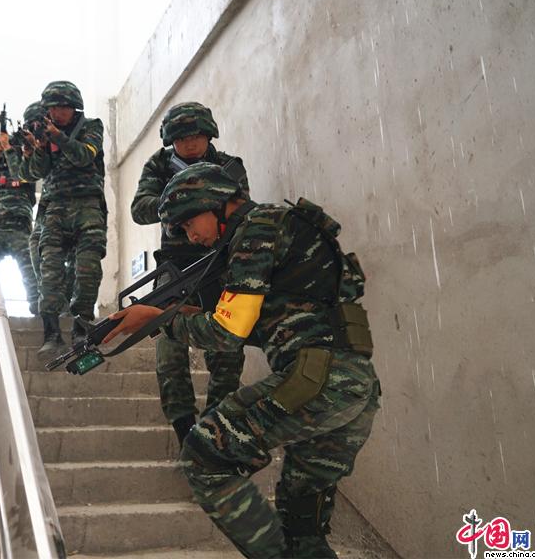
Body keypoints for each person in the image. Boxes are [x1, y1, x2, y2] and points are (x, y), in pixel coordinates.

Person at [104, 163, 381, 558]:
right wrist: (190, 315)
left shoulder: (255, 230)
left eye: (189, 223)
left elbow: (226, 335)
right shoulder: (283, 223)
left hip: (317, 383)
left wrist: (160, 321)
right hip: (356, 388)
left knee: (203, 455)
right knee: (302, 523)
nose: (191, 236)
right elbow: (281, 321)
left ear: (215, 203)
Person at [130, 101, 249, 446]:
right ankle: (185, 432)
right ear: (171, 141)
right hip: (175, 267)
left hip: (218, 263)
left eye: (196, 136)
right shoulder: (159, 165)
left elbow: (241, 211)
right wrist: (180, 198)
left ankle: (213, 434)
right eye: (182, 139)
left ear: (209, 134)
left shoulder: (228, 166)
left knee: (227, 352)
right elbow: (139, 209)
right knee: (169, 350)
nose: (190, 144)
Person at [25, 81, 106, 359]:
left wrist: (58, 137)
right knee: (49, 271)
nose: (56, 113)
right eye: (52, 108)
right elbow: (36, 172)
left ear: (74, 107)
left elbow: (84, 156)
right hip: (55, 208)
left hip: (88, 206)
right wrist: (38, 147)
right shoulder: (47, 133)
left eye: (62, 107)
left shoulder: (91, 127)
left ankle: (82, 329)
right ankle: (51, 334)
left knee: (88, 270)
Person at [4, 101, 76, 318]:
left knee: (73, 259)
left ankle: (67, 305)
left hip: (73, 206)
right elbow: (24, 174)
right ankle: (54, 304)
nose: (35, 130)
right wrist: (26, 150)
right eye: (31, 126)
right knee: (36, 247)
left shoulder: (66, 138)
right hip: (48, 207)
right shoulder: (41, 146)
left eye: (37, 124)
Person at [0, 120, 40, 315]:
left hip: (19, 229)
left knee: (30, 271)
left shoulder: (27, 167)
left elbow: (19, 174)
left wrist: (8, 149)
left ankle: (37, 309)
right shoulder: (0, 169)